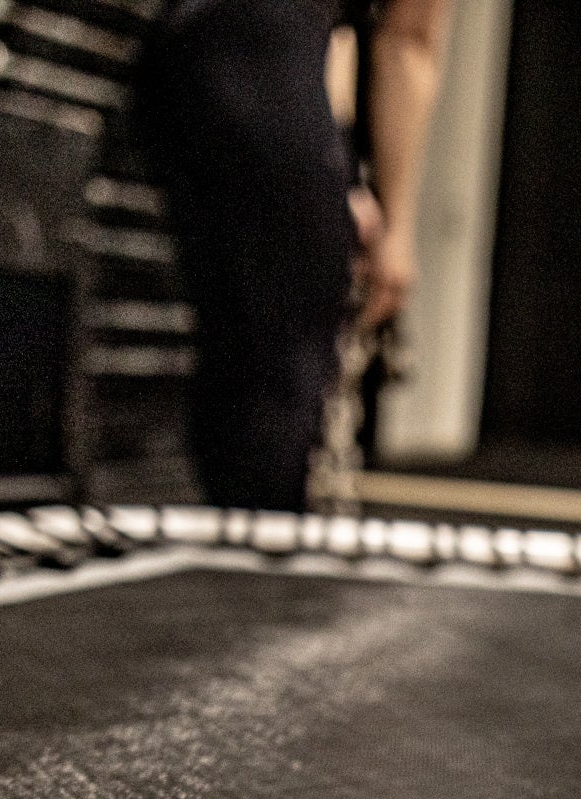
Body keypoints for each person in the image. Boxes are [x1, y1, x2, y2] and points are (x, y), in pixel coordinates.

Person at [135, 0, 451, 513]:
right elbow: (408, 43)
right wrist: (397, 230)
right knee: (282, 381)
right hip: (261, 54)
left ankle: (238, 534)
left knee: (238, 358)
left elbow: (335, 44)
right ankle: (258, 554)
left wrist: (338, 178)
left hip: (184, 51)